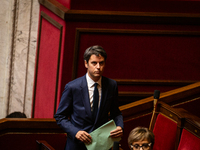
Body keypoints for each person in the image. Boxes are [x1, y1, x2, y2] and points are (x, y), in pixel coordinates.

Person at [54, 45, 124, 150]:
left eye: (101, 63)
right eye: (94, 63)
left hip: (101, 145)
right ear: (86, 64)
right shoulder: (73, 87)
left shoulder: (111, 85)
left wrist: (119, 126)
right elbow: (60, 117)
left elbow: (116, 112)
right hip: (77, 145)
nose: (98, 67)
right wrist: (75, 132)